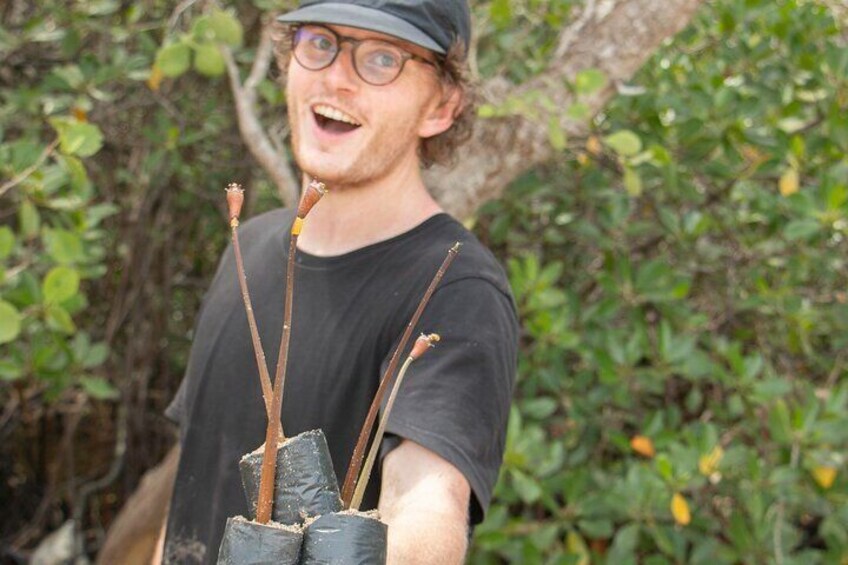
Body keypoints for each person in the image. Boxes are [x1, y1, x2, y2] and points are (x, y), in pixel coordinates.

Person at [157, 0, 518, 563]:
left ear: (442, 106)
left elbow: (428, 505)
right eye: (320, 42)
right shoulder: (245, 249)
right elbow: (193, 489)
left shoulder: (456, 288)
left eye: (381, 58)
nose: (337, 75)